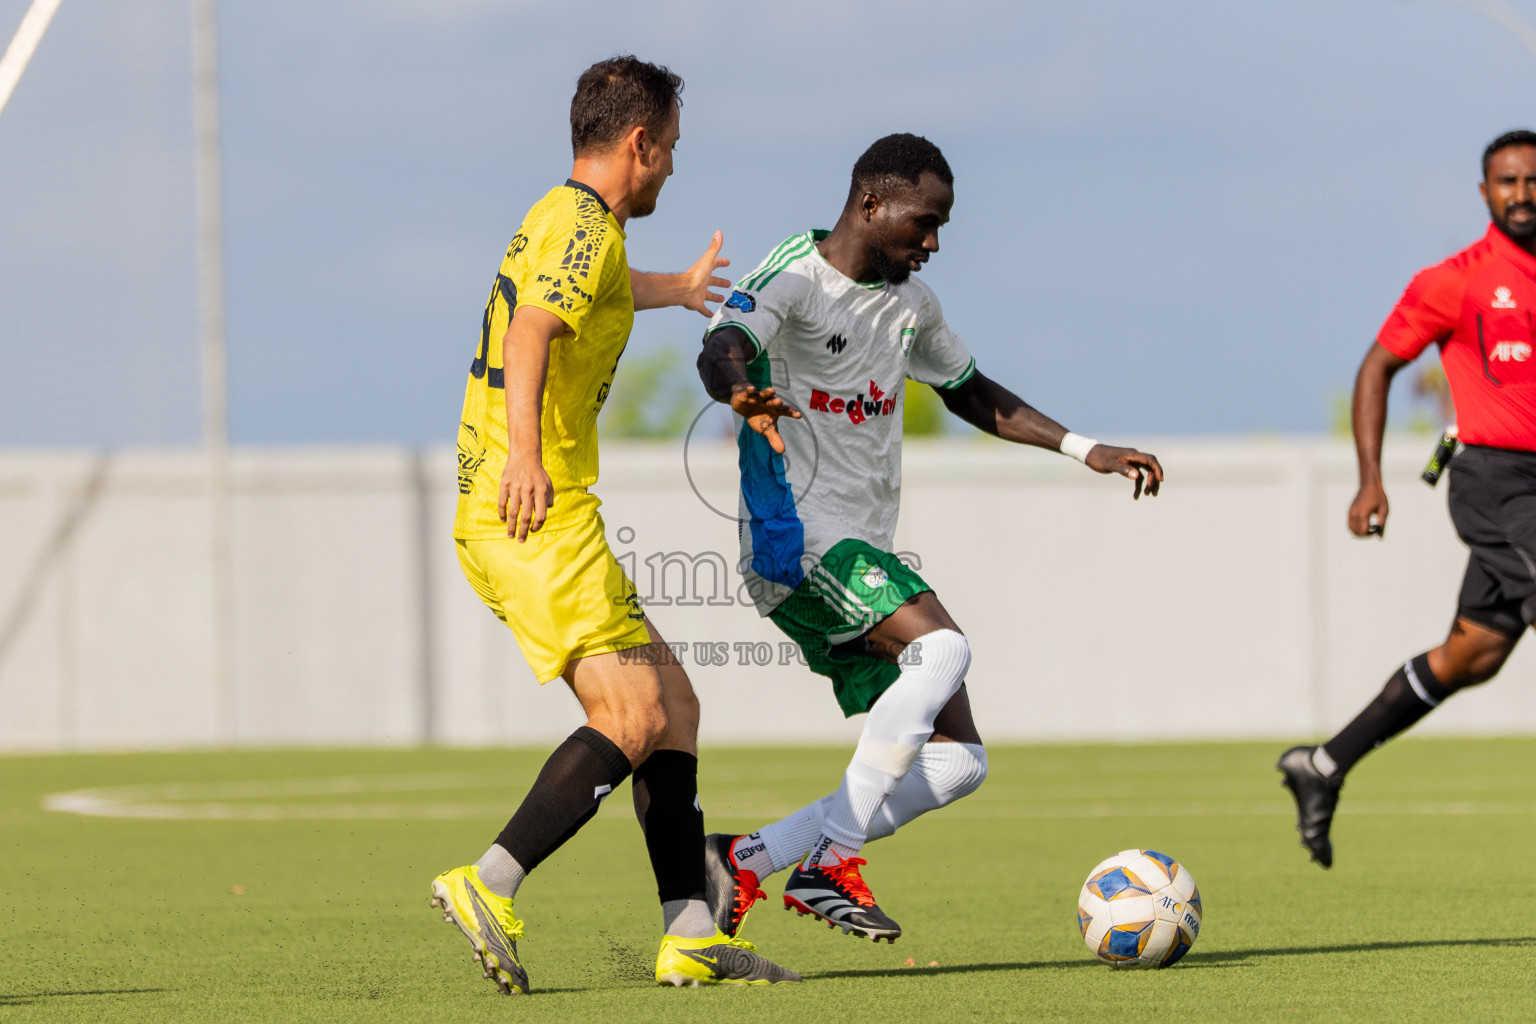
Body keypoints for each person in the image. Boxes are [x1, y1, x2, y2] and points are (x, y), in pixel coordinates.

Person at [694, 133, 1164, 942]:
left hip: (859, 548)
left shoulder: (911, 306)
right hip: (796, 539)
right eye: (925, 222)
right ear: (870, 205)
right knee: (943, 651)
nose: (934, 243)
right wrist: (742, 391)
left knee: (957, 763)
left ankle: (747, 858)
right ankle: (832, 862)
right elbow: (722, 343)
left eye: (942, 226)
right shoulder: (797, 278)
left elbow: (970, 391)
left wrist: (1087, 449)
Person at [430, 56, 798, 992]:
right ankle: (490, 884)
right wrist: (524, 457)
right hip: (532, 511)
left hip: (526, 509)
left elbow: (584, 292)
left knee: (674, 707)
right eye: (669, 148)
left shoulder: (568, 220)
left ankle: (689, 932)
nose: (673, 166)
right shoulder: (583, 228)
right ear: (638, 143)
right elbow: (530, 334)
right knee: (631, 715)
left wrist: (674, 288)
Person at [1279, 130, 1536, 869]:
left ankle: (1323, 765)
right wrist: (1370, 478)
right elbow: (1378, 366)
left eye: (1532, 181)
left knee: (1474, 653)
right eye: (1507, 182)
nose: (1522, 194)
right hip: (1497, 483)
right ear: (1485, 192)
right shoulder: (1455, 280)